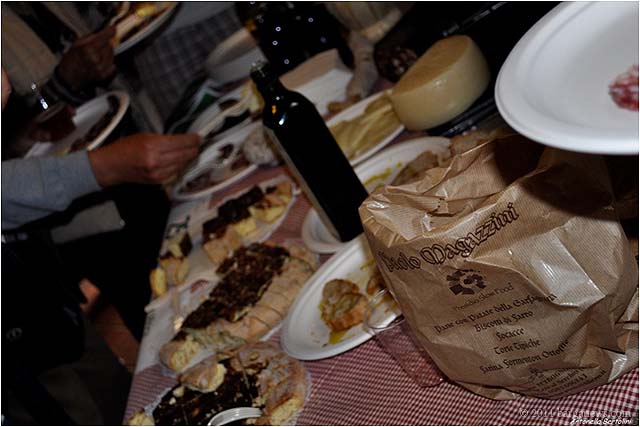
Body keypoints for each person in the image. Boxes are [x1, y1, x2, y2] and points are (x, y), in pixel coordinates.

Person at [1, 68, 200, 424]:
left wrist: (15, 144)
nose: (6, 81)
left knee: (123, 397)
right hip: (19, 347)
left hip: (45, 300)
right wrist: (102, 167)